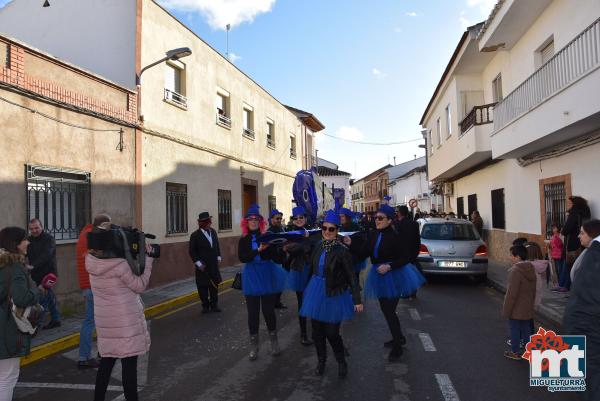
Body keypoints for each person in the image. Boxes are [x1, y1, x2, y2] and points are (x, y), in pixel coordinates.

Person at [344, 205, 425, 362]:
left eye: (380, 218)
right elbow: (364, 252)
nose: (377, 221)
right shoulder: (374, 234)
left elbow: (405, 257)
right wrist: (350, 243)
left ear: (389, 220)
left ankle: (398, 347)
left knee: (389, 311)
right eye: (376, 218)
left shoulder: (396, 236)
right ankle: (399, 338)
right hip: (378, 276)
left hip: (394, 276)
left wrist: (389, 266)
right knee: (386, 310)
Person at [86, 222, 155, 401]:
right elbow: (140, 285)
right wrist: (147, 260)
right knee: (129, 369)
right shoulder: (120, 266)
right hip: (125, 323)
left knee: (106, 365)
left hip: (105, 323)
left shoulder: (92, 265)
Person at [300, 210, 363, 378]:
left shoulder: (342, 251)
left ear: (337, 231)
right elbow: (311, 267)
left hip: (334, 293)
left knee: (332, 333)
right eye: (324, 228)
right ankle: (321, 361)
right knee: (317, 332)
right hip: (316, 290)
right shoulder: (318, 246)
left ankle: (341, 360)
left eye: (331, 229)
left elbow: (351, 277)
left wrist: (357, 299)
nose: (327, 232)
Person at [238, 204, 287, 361]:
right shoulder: (243, 239)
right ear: (246, 222)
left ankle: (274, 342)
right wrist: (258, 250)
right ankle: (254, 346)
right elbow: (243, 257)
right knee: (253, 314)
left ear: (260, 221)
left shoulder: (267, 237)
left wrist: (284, 251)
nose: (253, 221)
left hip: (266, 275)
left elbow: (276, 257)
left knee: (268, 311)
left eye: (256, 219)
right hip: (251, 276)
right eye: (250, 219)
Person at [0, 227, 41, 401]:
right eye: (25, 239)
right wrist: (36, 291)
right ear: (16, 244)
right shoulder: (15, 267)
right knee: (8, 377)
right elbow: (21, 297)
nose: (28, 242)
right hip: (8, 328)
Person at [563, 219, 600, 400]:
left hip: (585, 328)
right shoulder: (589, 254)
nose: (578, 236)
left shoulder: (593, 255)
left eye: (582, 233)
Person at [75, 214, 111, 369]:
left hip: (87, 285)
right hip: (93, 284)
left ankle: (88, 355)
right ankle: (86, 357)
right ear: (102, 225)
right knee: (94, 321)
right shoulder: (94, 237)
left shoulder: (84, 234)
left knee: (91, 321)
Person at [283, 206, 317, 346]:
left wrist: (306, 241)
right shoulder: (291, 234)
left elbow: (315, 247)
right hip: (299, 271)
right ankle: (303, 335)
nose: (298, 220)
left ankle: (316, 332)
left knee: (314, 302)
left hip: (313, 271)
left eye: (301, 217)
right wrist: (303, 243)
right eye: (295, 218)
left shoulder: (313, 231)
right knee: (302, 304)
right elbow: (293, 251)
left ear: (305, 218)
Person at [502, 245, 536, 360]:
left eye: (511, 255)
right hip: (527, 305)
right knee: (526, 328)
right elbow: (533, 290)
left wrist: (506, 310)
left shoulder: (515, 271)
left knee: (515, 329)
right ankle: (529, 351)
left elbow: (511, 294)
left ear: (517, 257)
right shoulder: (531, 268)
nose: (510, 257)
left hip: (516, 307)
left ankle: (515, 352)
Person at [27, 218, 61, 329]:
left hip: (48, 275)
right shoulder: (28, 240)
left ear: (42, 226)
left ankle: (36, 327)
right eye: (31, 229)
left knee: (42, 302)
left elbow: (47, 255)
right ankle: (56, 320)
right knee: (49, 297)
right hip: (36, 275)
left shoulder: (49, 239)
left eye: (36, 227)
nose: (34, 230)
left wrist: (32, 266)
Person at [189, 212, 223, 314]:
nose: (210, 223)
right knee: (202, 286)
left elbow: (216, 244)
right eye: (208, 222)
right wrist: (199, 264)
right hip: (202, 266)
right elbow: (192, 251)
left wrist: (218, 256)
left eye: (210, 221)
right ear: (202, 223)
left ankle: (214, 305)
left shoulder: (213, 232)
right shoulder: (195, 235)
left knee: (214, 285)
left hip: (213, 264)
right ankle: (205, 305)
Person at [560, 196, 592, 291]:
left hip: (573, 244)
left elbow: (566, 230)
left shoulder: (574, 214)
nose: (567, 204)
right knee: (579, 265)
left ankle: (566, 286)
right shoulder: (586, 213)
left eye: (569, 203)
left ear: (574, 204)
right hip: (584, 243)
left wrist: (563, 230)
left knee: (571, 265)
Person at [395, 205, 422, 300]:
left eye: (397, 212)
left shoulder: (398, 224)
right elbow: (417, 239)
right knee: (413, 272)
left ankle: (407, 292)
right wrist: (417, 251)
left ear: (399, 213)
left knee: (404, 274)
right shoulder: (414, 224)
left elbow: (397, 240)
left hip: (402, 253)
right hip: (413, 252)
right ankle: (413, 292)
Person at [524, 242, 548, 334]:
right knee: (530, 319)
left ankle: (525, 339)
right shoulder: (541, 264)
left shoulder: (527, 266)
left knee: (524, 321)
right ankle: (530, 336)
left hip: (527, 298)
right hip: (537, 297)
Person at [339, 208, 367, 286]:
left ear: (347, 217)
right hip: (343, 258)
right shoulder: (340, 227)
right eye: (339, 216)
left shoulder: (355, 227)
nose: (340, 218)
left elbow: (360, 242)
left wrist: (351, 242)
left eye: (342, 216)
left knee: (354, 279)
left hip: (354, 258)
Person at [268, 209, 287, 310]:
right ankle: (272, 302)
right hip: (273, 262)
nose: (279, 220)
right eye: (277, 218)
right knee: (275, 284)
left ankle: (277, 301)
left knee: (281, 283)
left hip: (282, 260)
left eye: (280, 218)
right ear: (271, 219)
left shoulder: (282, 229)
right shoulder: (269, 232)